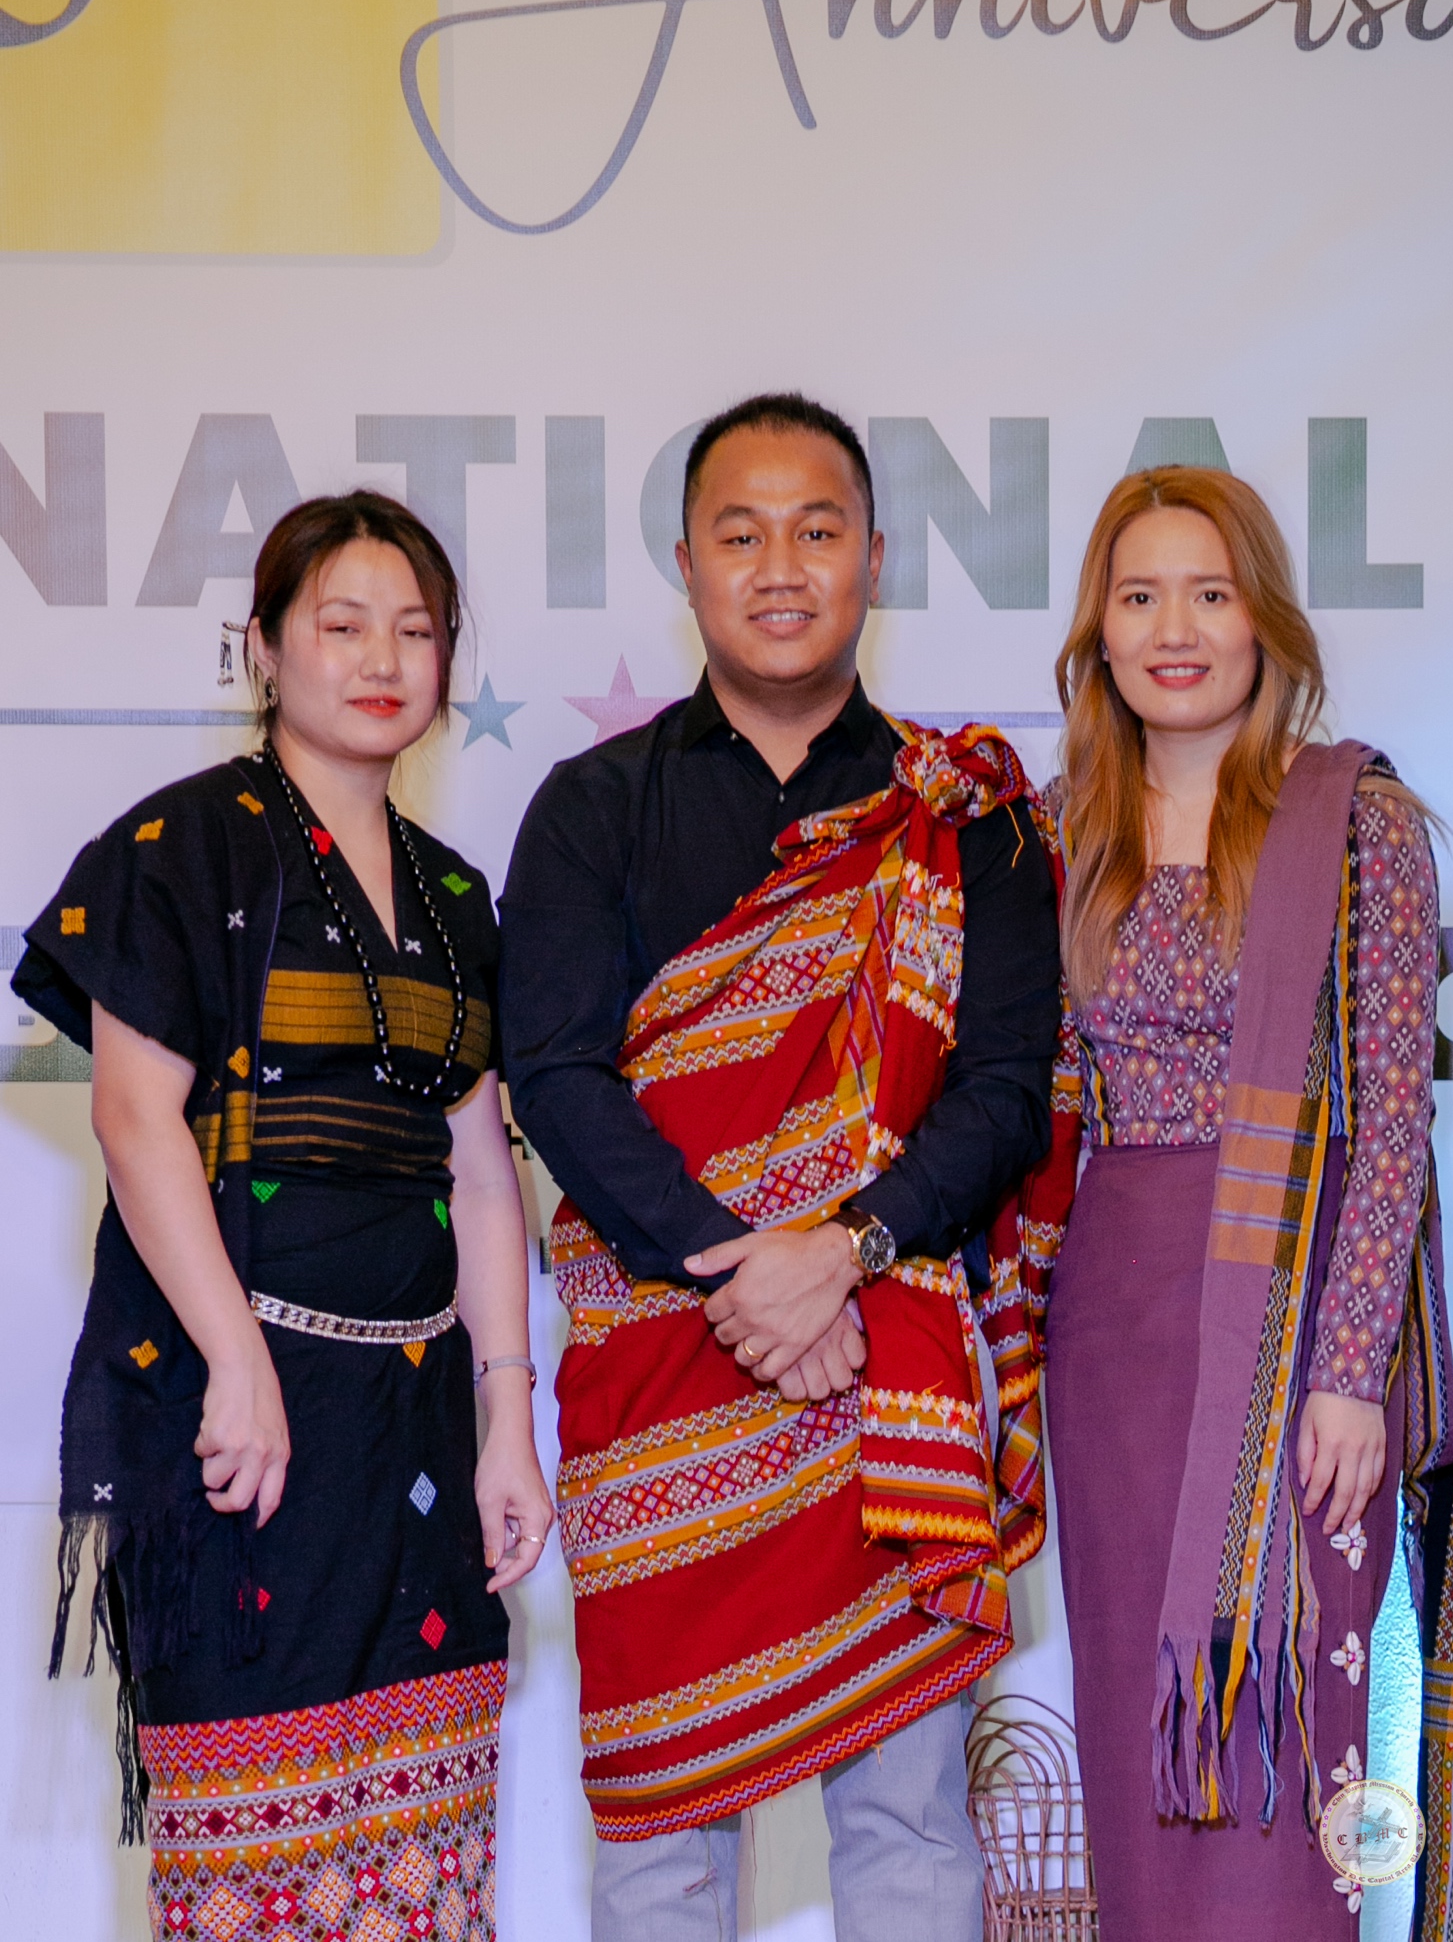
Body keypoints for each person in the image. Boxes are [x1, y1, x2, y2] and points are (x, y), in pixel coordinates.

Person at [501, 391, 1073, 1941]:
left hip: (886, 1369)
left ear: (875, 558)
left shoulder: (965, 815)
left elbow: (1004, 1091)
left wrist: (846, 1249)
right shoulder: (592, 807)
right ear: (686, 563)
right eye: (740, 532)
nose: (779, 566)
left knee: (910, 1818)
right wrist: (746, 1270)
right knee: (662, 1833)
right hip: (661, 1369)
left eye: (817, 530)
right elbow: (557, 1073)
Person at [14, 492, 551, 1942]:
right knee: (250, 1855)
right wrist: (237, 1361)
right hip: (239, 1416)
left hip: (417, 1424)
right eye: (342, 623)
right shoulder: (178, 850)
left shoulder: (455, 895)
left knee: (429, 1862)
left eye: (416, 631)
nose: (382, 659)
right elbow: (135, 1120)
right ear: (261, 645)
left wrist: (509, 1417)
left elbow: (481, 1169)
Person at [1041, 464, 1453, 1940]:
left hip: (1302, 1332)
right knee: (1138, 1734)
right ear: (1099, 630)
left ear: (1266, 622)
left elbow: (1393, 1118)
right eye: (1140, 595)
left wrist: (1352, 1373)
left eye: (1210, 593)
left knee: (1294, 1733)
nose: (1175, 629)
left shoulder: (1356, 819)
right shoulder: (1062, 831)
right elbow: (1043, 1105)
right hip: (1116, 1334)